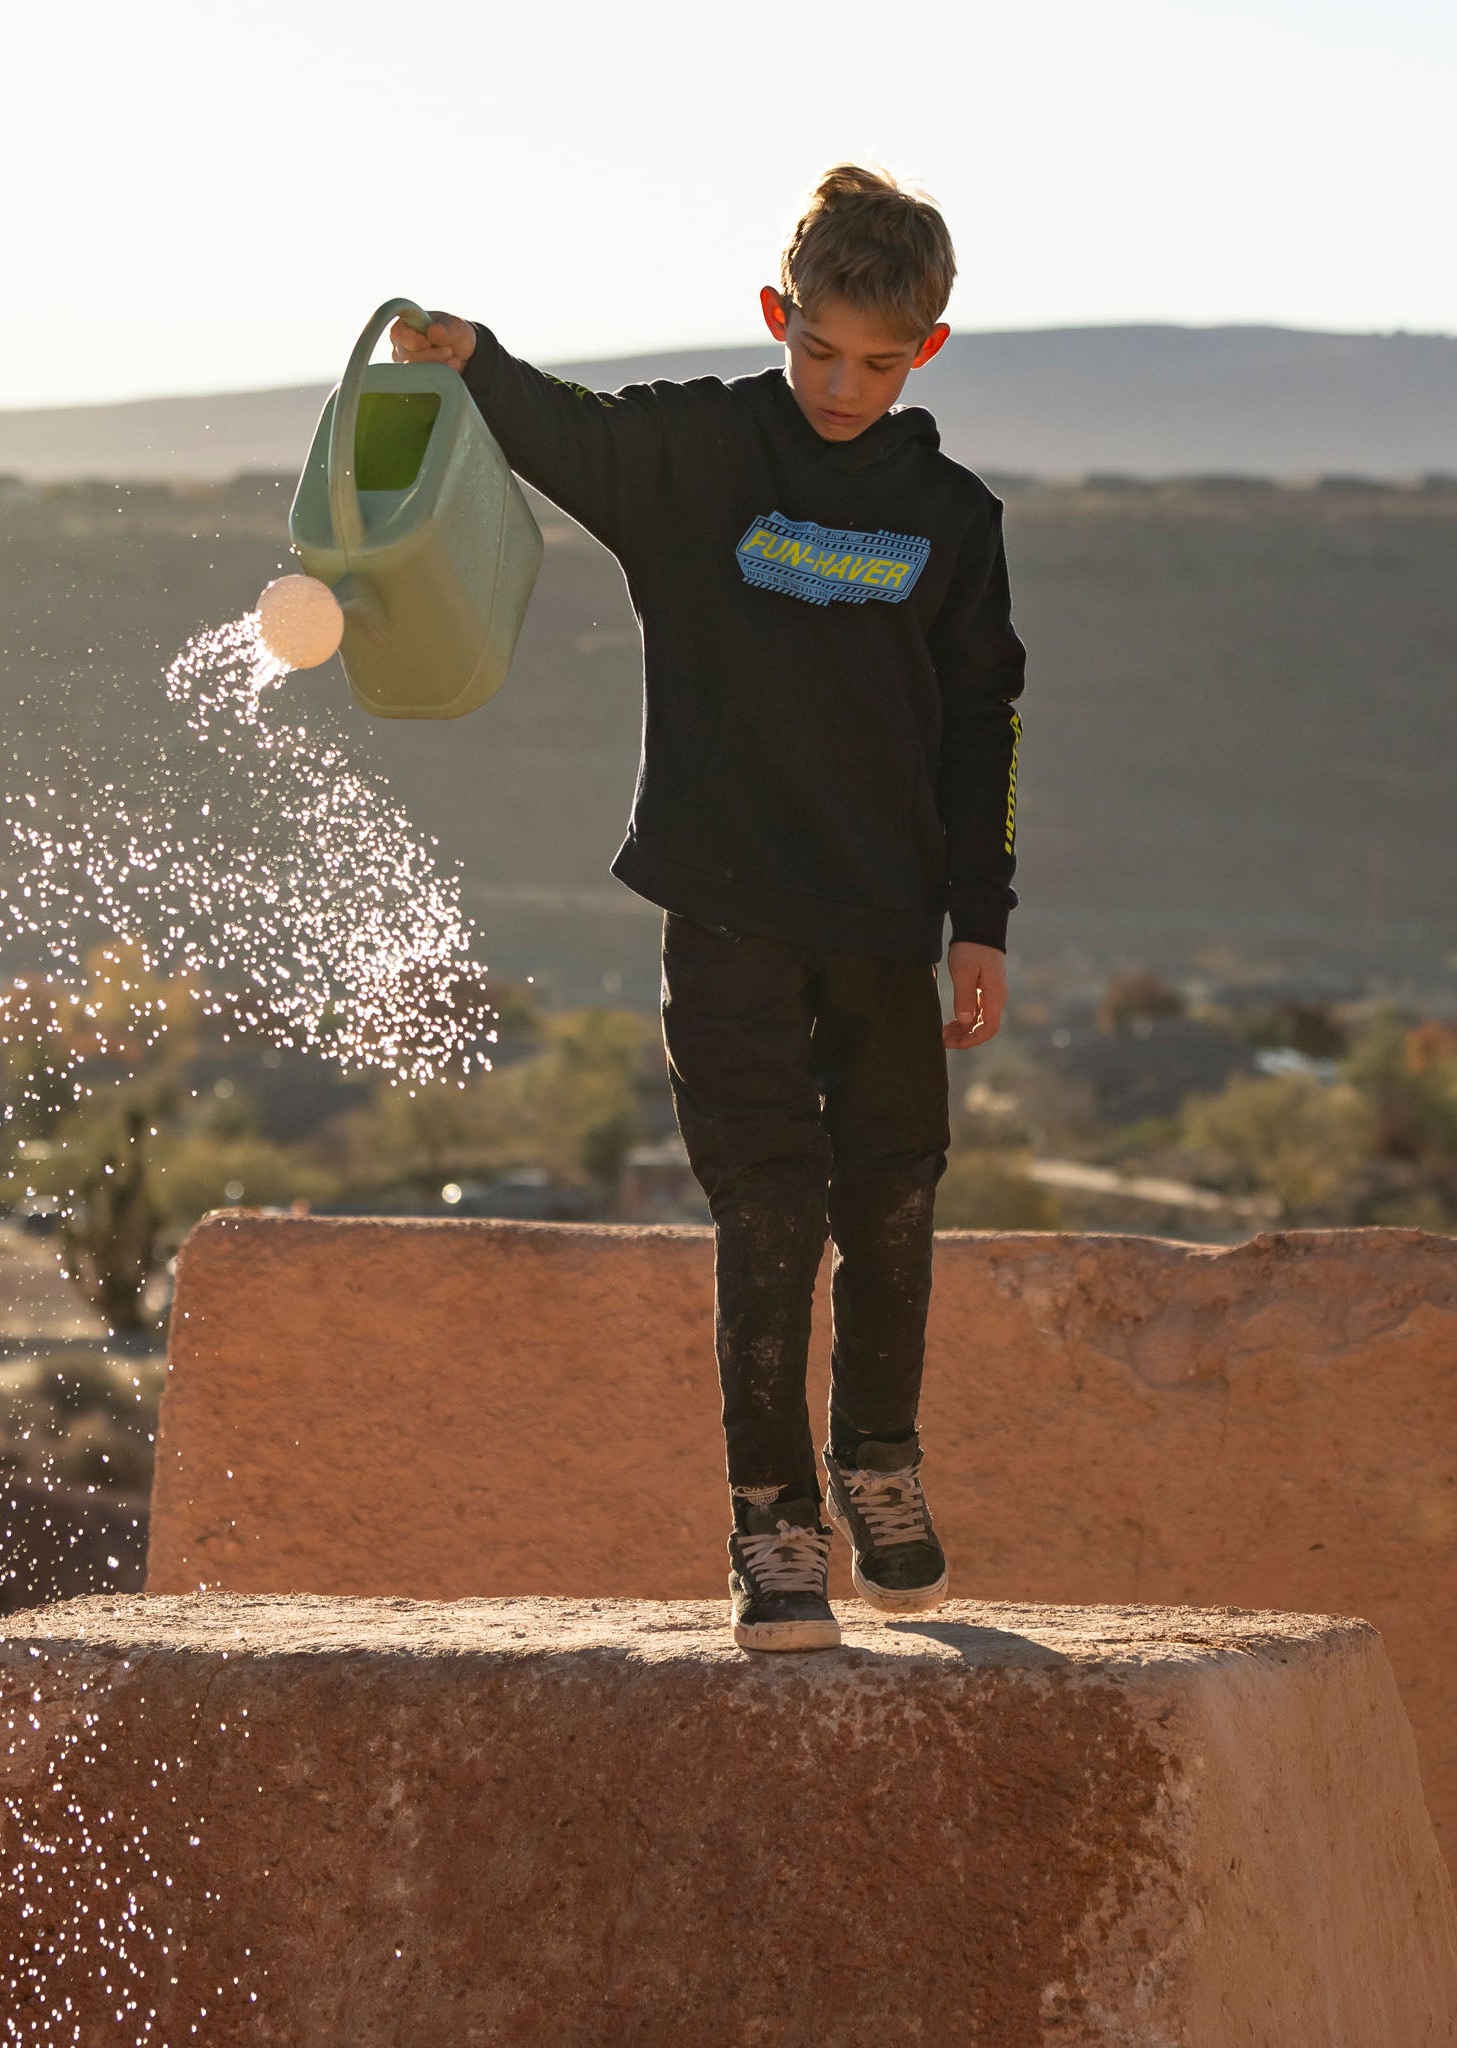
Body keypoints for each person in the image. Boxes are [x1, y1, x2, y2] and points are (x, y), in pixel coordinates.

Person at [392, 164, 1025, 1651]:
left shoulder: (950, 515)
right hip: (725, 909)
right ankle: (772, 1522)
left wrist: (980, 914)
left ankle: (880, 1464)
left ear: (926, 348)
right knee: (773, 1206)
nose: (841, 385)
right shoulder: (699, 453)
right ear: (775, 315)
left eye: (878, 360)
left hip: (884, 924)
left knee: (891, 1197)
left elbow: (982, 723)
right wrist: (474, 360)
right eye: (817, 349)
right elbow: (569, 434)